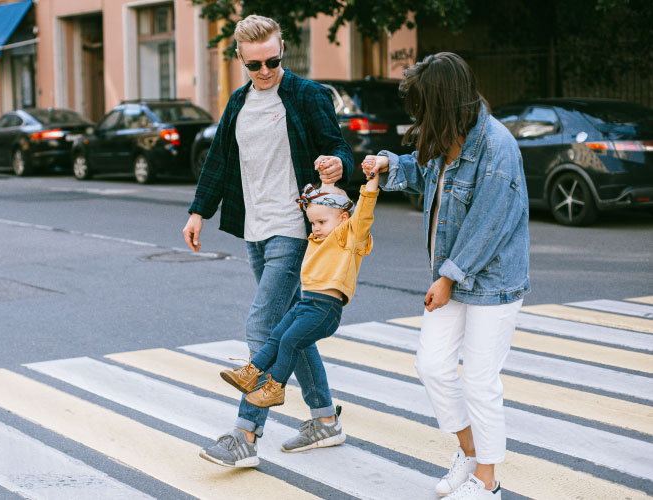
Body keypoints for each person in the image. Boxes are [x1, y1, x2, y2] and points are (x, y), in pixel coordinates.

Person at [182, 14, 357, 468]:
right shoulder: (239, 102)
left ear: (283, 52)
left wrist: (337, 165)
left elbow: (338, 148)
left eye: (273, 61)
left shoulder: (306, 95)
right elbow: (220, 160)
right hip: (255, 229)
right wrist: (199, 211)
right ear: (239, 56)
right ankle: (325, 420)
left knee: (262, 329)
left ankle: (245, 435)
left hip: (294, 226)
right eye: (255, 64)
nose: (265, 71)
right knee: (291, 330)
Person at [361, 52, 530, 500]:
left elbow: (489, 224)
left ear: (442, 101)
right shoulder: (444, 135)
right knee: (432, 366)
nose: (417, 116)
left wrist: (449, 278)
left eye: (422, 106)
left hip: (491, 283)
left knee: (478, 380)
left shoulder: (496, 147)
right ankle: (470, 454)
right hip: (450, 277)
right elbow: (422, 173)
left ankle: (489, 483)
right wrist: (386, 165)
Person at [221, 175, 378, 411]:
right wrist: (324, 186)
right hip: (306, 305)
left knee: (289, 342)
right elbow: (325, 206)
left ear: (344, 219)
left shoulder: (349, 238)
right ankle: (250, 373)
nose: (315, 228)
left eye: (321, 223)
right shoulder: (317, 238)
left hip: (325, 310)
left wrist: (372, 181)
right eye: (312, 223)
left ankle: (275, 388)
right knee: (277, 336)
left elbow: (364, 212)